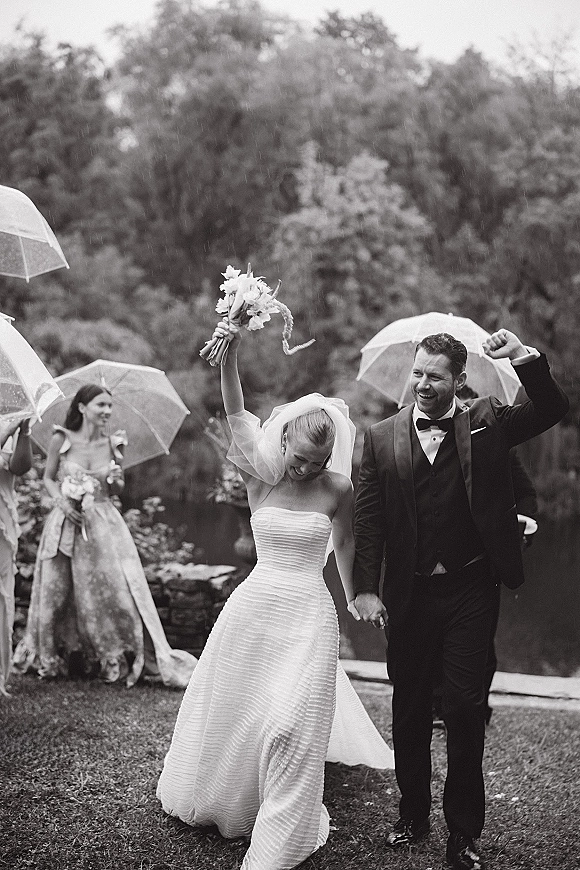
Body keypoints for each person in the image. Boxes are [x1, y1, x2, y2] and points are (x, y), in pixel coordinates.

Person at [157, 322, 393, 870]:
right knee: (242, 712)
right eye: (301, 458)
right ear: (283, 438)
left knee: (290, 722)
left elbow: (346, 546)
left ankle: (282, 830)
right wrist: (231, 346)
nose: (307, 469)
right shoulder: (259, 478)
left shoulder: (337, 489)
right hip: (255, 608)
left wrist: (360, 593)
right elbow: (235, 407)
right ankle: (235, 798)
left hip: (309, 611)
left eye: (318, 461)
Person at [353, 329, 568, 870]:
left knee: (467, 709)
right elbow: (370, 519)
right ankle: (413, 814)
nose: (423, 385)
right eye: (418, 374)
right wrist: (363, 587)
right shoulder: (379, 438)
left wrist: (522, 357)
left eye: (436, 377)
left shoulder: (487, 421)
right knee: (407, 708)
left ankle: (463, 834)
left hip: (472, 587)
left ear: (459, 380)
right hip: (409, 593)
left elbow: (551, 406)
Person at [13, 384, 196, 688]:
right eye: (101, 405)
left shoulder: (114, 444)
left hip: (102, 526)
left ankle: (108, 655)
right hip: (64, 522)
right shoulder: (62, 438)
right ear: (82, 407)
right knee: (57, 592)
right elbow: (48, 478)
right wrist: (61, 501)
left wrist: (117, 478)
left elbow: (115, 490)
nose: (108, 411)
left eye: (110, 406)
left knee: (107, 591)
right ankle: (57, 655)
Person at [0, 418, 33, 696]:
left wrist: (24, 431)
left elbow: (19, 467)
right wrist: (6, 431)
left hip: (3, 522)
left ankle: (0, 675)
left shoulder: (8, 417)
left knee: (2, 595)